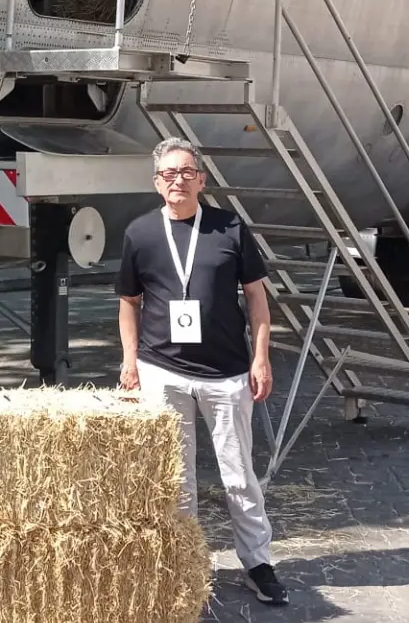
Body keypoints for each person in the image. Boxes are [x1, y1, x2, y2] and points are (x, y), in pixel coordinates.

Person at [117, 137, 287, 606]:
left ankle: (257, 563)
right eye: (169, 173)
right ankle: (188, 565)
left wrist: (261, 356)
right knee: (178, 478)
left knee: (238, 476)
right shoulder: (140, 234)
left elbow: (256, 297)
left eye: (187, 171)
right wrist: (130, 360)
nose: (178, 179)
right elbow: (129, 302)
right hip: (162, 371)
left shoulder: (228, 227)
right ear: (156, 183)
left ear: (202, 180)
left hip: (226, 372)